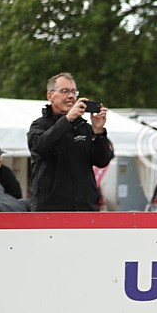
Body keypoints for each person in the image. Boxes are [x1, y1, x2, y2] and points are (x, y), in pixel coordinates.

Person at [27, 72, 114, 211]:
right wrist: (67, 120)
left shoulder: (84, 127)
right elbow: (39, 148)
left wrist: (98, 132)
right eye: (65, 91)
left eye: (74, 92)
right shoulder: (40, 125)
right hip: (51, 208)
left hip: (84, 207)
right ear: (50, 96)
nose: (71, 96)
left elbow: (102, 161)